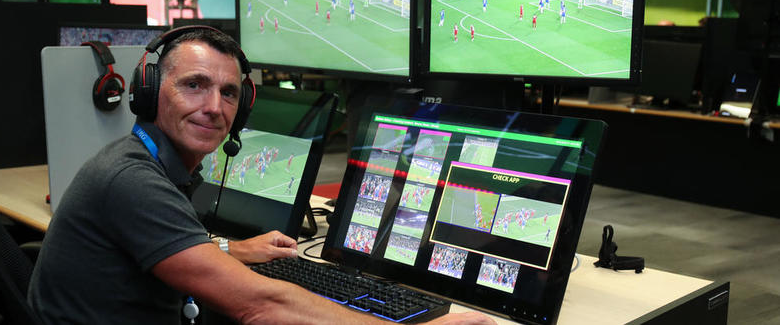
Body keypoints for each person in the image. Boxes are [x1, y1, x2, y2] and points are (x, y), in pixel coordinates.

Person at [28, 27, 495, 325]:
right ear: (148, 92)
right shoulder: (131, 181)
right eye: (194, 85)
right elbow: (261, 306)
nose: (214, 107)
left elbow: (161, 247)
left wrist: (230, 250)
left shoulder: (141, 162)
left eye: (229, 93)